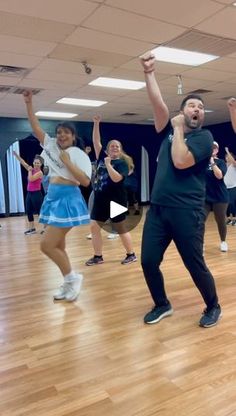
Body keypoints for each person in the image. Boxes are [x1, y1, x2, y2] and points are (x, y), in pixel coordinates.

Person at [139, 51, 221, 328]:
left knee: (194, 265)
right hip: (159, 210)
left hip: (187, 212)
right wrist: (149, 73)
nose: (196, 109)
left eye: (200, 106)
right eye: (191, 105)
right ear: (183, 111)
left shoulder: (204, 137)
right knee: (148, 261)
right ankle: (162, 304)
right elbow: (158, 104)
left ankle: (213, 305)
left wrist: (179, 131)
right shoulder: (170, 128)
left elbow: (180, 160)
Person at [22, 90, 91, 302]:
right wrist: (29, 103)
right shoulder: (50, 145)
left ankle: (73, 277)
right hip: (52, 197)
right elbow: (35, 127)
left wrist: (68, 162)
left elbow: (86, 181)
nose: (62, 135)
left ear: (73, 136)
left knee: (47, 245)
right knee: (58, 245)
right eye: (59, 132)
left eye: (66, 133)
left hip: (68, 199)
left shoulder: (79, 155)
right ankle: (68, 282)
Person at [85, 115, 137, 266]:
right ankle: (97, 256)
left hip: (116, 200)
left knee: (120, 228)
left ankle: (131, 254)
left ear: (120, 151)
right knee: (94, 226)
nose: (114, 147)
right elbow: (96, 141)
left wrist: (108, 164)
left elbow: (116, 179)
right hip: (101, 199)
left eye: (117, 146)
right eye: (112, 146)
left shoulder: (122, 163)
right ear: (106, 150)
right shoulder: (102, 156)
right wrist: (96, 123)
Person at [205, 141, 229, 252]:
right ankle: (200, 244)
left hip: (220, 197)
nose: (212, 150)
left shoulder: (221, 162)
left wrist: (212, 162)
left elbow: (219, 176)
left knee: (220, 220)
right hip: (205, 197)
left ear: (217, 150)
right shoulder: (202, 162)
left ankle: (223, 241)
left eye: (214, 148)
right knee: (200, 220)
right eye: (210, 148)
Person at [13, 151, 44, 235]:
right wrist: (16, 155)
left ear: (40, 164)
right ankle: (32, 228)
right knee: (29, 210)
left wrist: (29, 171)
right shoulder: (31, 169)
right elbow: (23, 162)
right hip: (29, 194)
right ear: (33, 162)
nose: (36, 164)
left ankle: (46, 229)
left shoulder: (40, 173)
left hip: (37, 194)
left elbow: (31, 179)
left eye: (38, 163)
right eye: (35, 162)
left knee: (40, 212)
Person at [224, 147, 236, 226]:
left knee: (232, 203)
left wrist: (228, 151)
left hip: (233, 187)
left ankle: (234, 219)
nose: (227, 157)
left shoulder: (234, 165)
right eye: (226, 156)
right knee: (226, 204)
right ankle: (228, 218)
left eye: (228, 156)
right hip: (225, 188)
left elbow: (233, 161)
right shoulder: (223, 165)